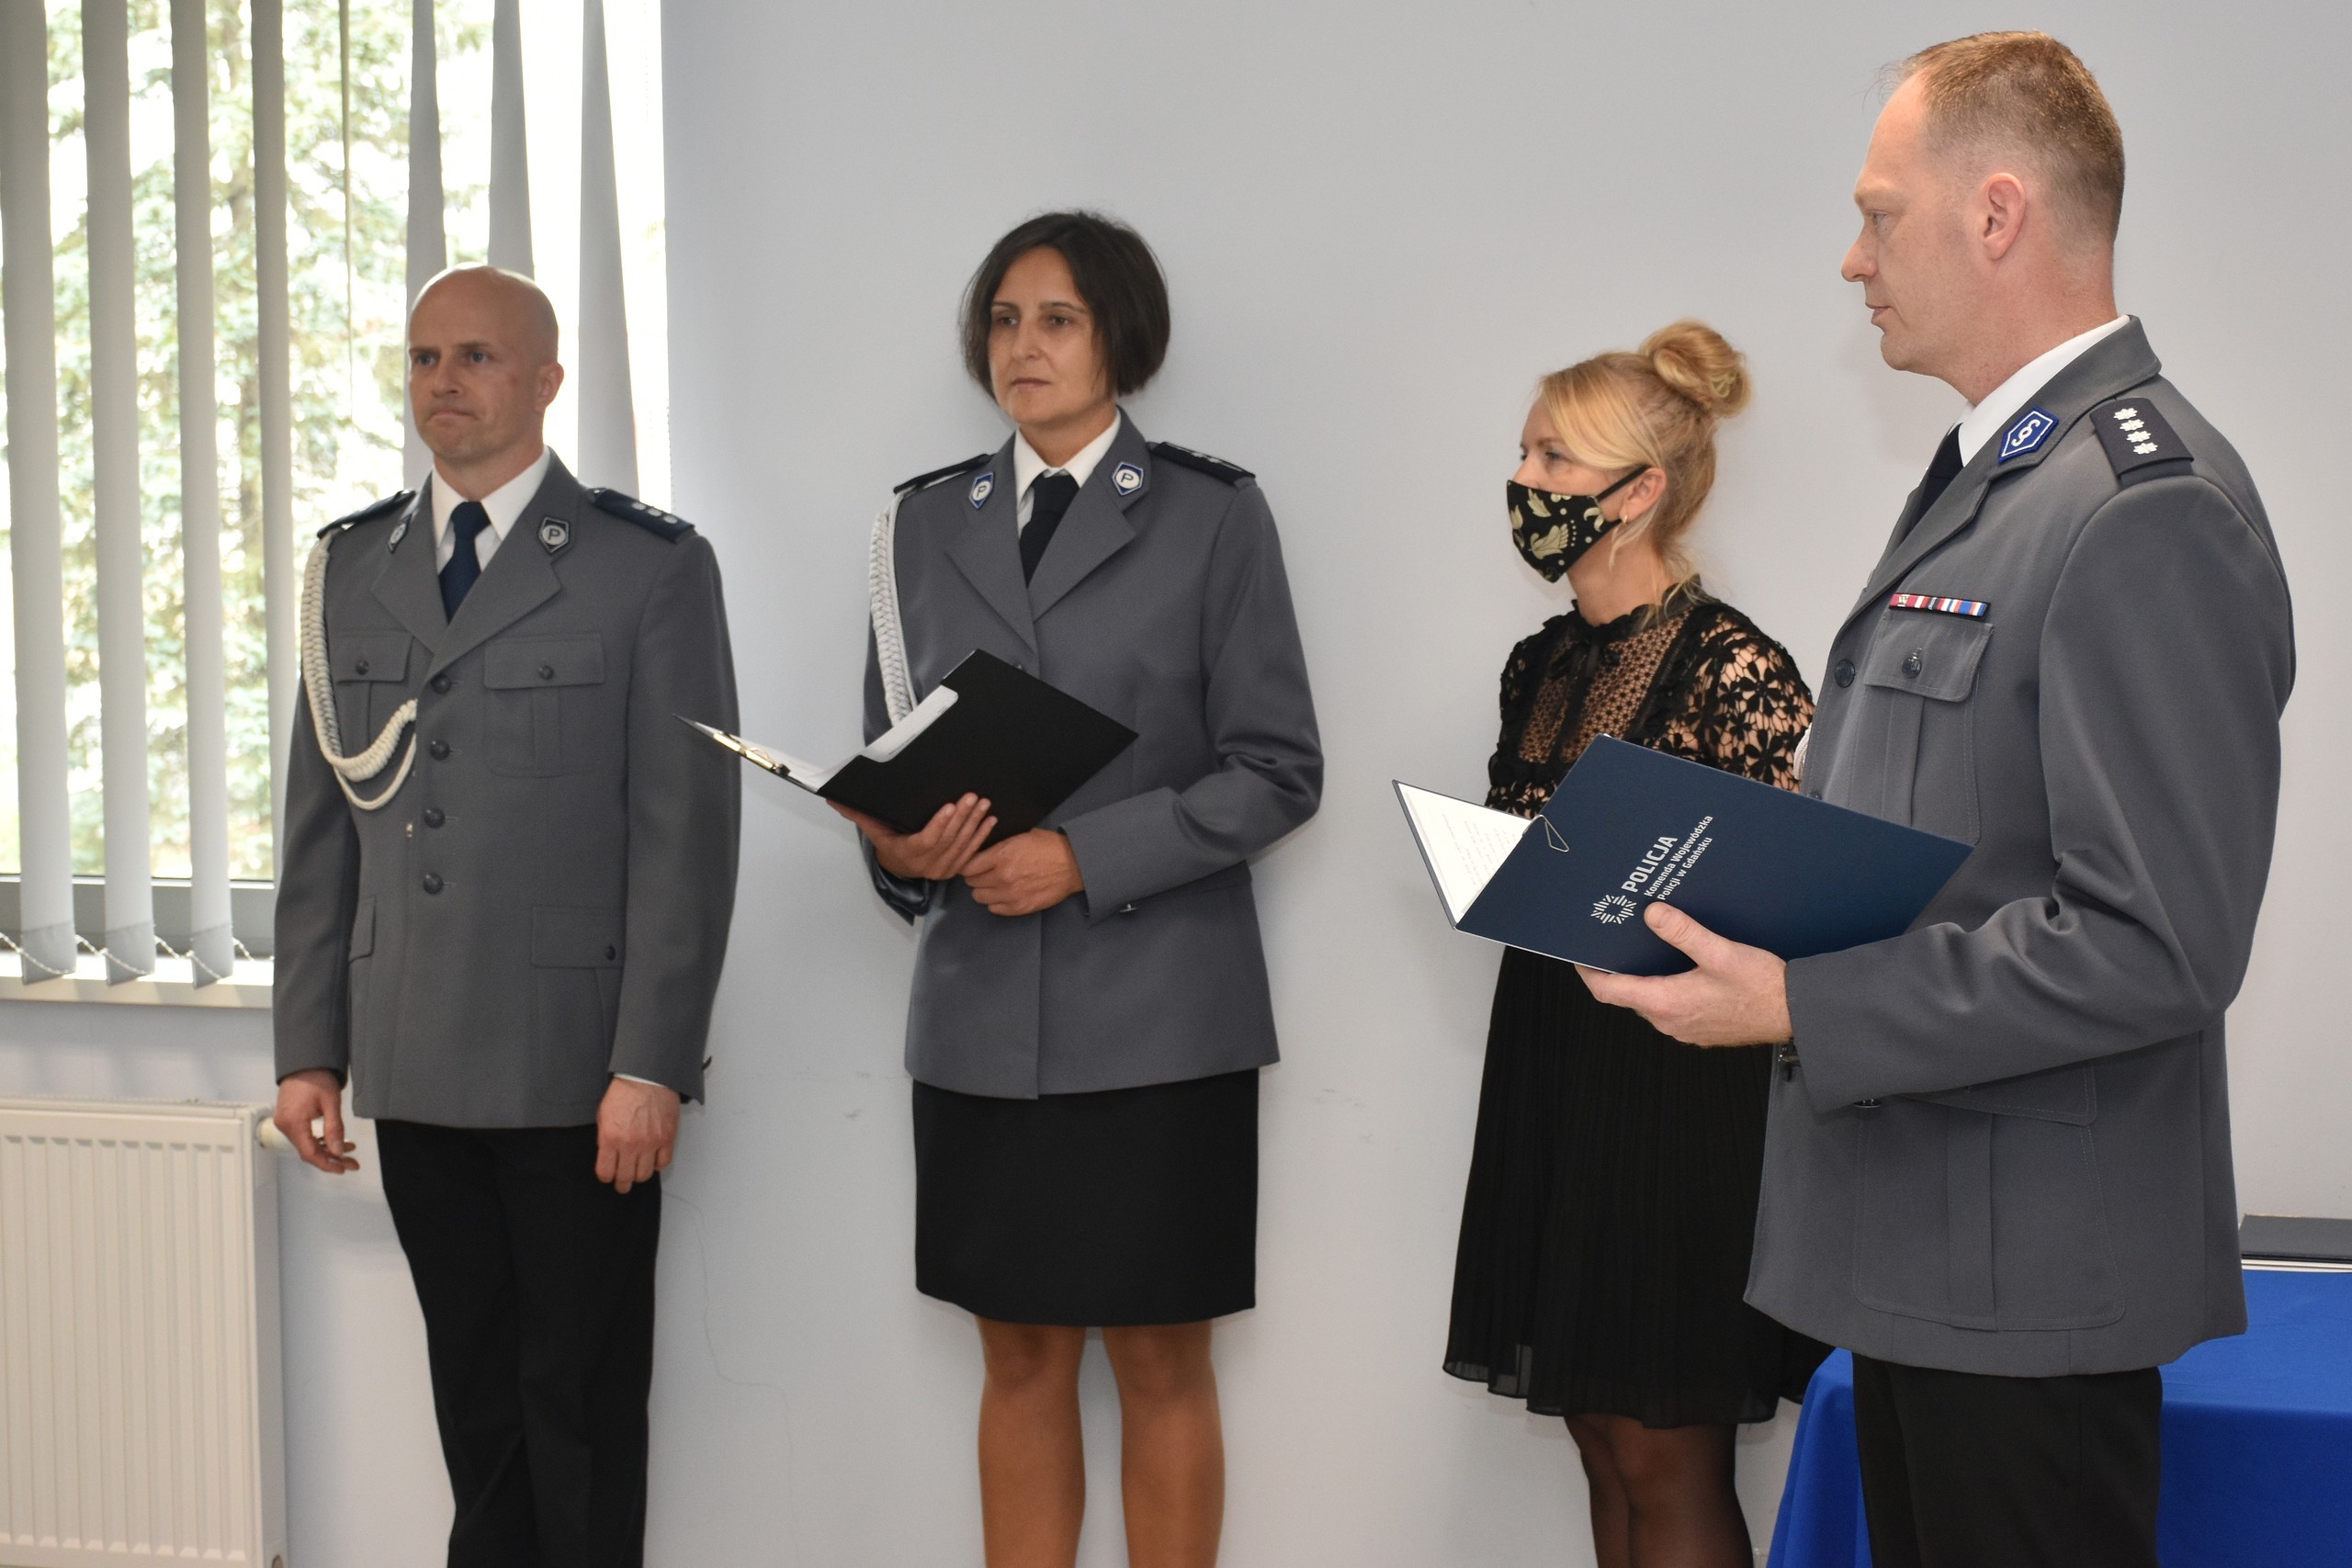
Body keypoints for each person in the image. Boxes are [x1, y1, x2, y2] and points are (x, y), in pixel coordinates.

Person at [1581, 34, 2295, 1568]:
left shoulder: (2142, 506)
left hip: (2030, 1291)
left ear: (1997, 214)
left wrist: (1800, 1003)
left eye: (1878, 216)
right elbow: (1959, 846)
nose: (1853, 260)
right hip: (1928, 1260)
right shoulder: (2001, 479)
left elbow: (2156, 942)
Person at [836, 211, 1319, 1568]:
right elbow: (885, 765)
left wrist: (1085, 857)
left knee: (1162, 1363)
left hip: (1163, 1020)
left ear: (1122, 338)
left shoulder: (1213, 515)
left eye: (1057, 319)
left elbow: (1278, 770)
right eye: (1004, 320)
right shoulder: (917, 524)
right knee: (1020, 1358)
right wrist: (899, 851)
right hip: (983, 1017)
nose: (1023, 346)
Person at [271, 265, 741, 1568]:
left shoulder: (645, 567)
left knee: (577, 1407)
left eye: (476, 357)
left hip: (576, 1067)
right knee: (474, 1405)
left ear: (545, 380)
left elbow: (686, 840)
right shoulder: (348, 568)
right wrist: (310, 1048)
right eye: (424, 358)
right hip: (415, 1049)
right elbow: (319, 828)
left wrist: (651, 1062)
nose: (444, 383)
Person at [1442, 321, 1826, 1568]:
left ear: (1639, 490)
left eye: (1555, 459)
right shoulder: (1540, 664)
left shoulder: (1737, 667)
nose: (1526, 481)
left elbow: (1803, 903)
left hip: (1680, 1098)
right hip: (1556, 1068)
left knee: (1666, 1451)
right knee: (1601, 1437)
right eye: (1526, 453)